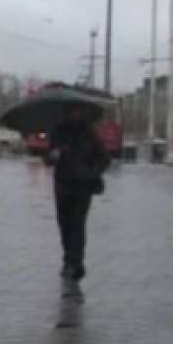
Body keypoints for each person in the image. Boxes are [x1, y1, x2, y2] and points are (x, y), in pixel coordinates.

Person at [45, 104, 110, 283]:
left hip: (83, 187)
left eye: (77, 111)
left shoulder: (89, 133)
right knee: (65, 225)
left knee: (78, 225)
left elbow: (104, 158)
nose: (74, 114)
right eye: (70, 111)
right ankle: (68, 260)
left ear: (82, 113)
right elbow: (48, 159)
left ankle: (77, 263)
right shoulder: (59, 132)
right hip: (62, 185)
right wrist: (53, 156)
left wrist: (92, 172)